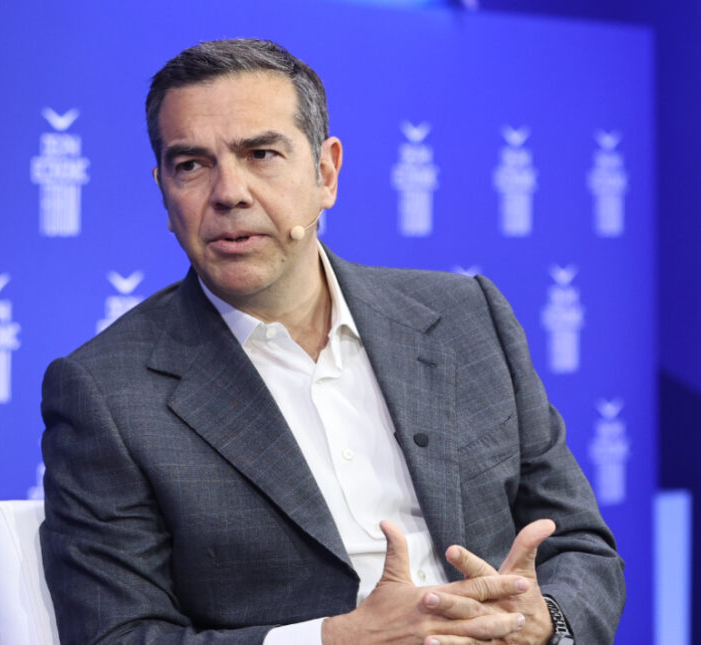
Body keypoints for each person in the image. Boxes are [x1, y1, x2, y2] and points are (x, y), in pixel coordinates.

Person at [40, 38, 624, 645]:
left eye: (261, 154)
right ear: (164, 190)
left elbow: (581, 546)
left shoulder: (467, 317)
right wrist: (335, 640)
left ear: (325, 173)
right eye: (191, 164)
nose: (229, 192)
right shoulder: (107, 392)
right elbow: (118, 635)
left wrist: (543, 622)